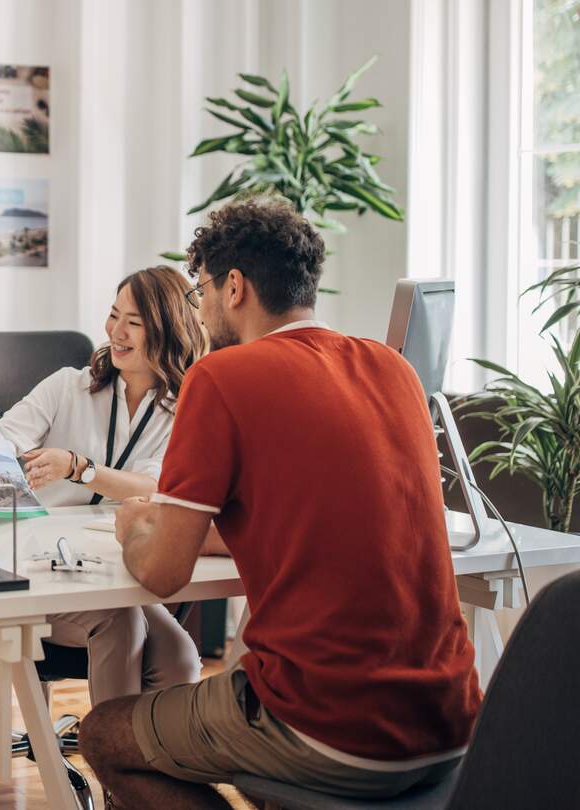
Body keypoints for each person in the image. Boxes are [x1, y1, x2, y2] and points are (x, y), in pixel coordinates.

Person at [79, 197, 481, 807]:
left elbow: (162, 574)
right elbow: (309, 524)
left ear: (234, 287)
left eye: (201, 290)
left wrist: (135, 526)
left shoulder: (221, 377)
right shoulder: (394, 370)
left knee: (103, 734)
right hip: (451, 720)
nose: (200, 309)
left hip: (330, 725)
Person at [0, 266, 210, 707]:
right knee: (123, 624)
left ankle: (155, 751)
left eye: (134, 322)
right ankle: (112, 749)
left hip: (115, 570)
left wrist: (79, 468)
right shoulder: (66, 387)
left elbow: (154, 486)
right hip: (43, 570)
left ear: (167, 331)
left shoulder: (182, 410)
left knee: (180, 656)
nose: (116, 332)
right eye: (114, 316)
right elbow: (0, 439)